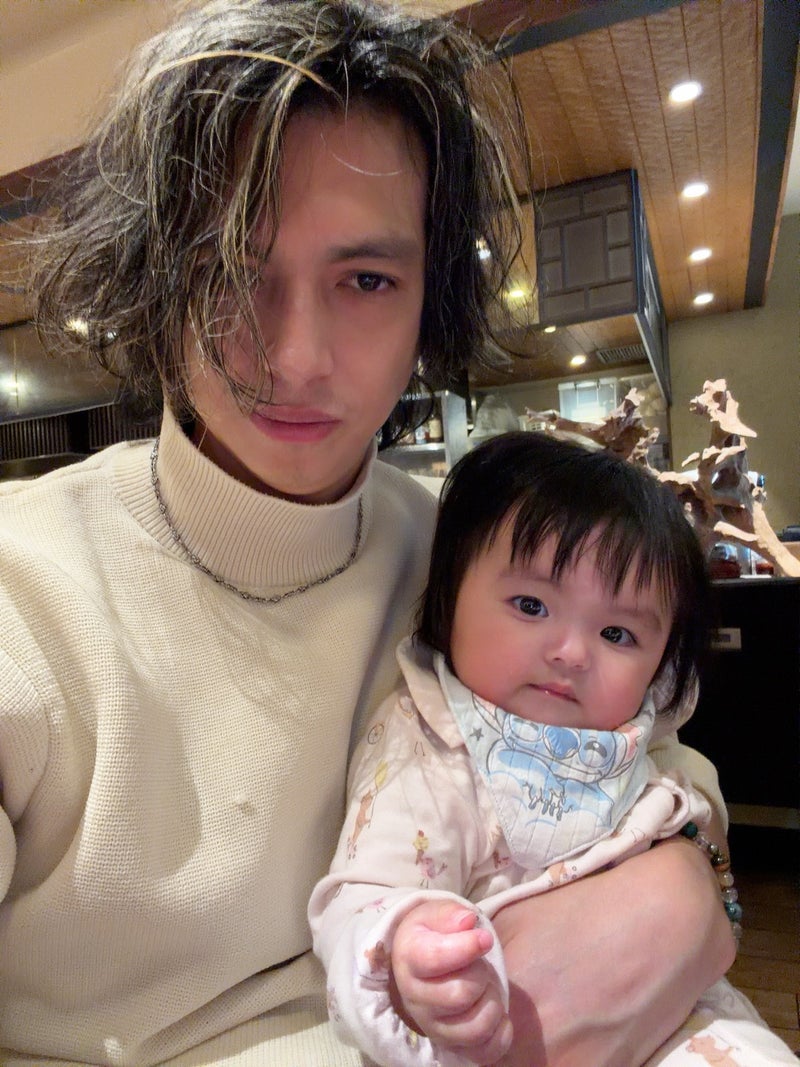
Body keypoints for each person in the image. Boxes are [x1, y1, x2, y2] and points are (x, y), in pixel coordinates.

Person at [0, 2, 733, 1065]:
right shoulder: (23, 591)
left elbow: (649, 754)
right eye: (229, 269)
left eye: (366, 280)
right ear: (158, 281)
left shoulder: (470, 561)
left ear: (429, 299)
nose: (296, 357)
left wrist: (689, 880)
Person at [309, 431, 798, 1067]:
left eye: (617, 633)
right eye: (531, 604)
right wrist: (406, 948)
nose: (571, 652)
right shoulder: (428, 740)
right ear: (449, 598)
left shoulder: (639, 742)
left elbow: (699, 842)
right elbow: (360, 895)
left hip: (678, 1011)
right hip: (485, 1019)